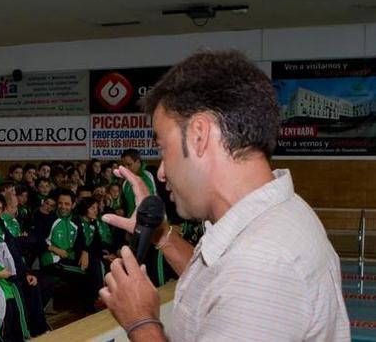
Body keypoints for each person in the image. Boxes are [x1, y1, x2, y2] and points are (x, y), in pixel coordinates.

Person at [100, 50, 350, 341]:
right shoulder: (272, 219)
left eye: (163, 148)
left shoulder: (260, 264)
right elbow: (219, 286)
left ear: (199, 135)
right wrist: (163, 236)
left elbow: (242, 279)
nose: (163, 172)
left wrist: (141, 322)